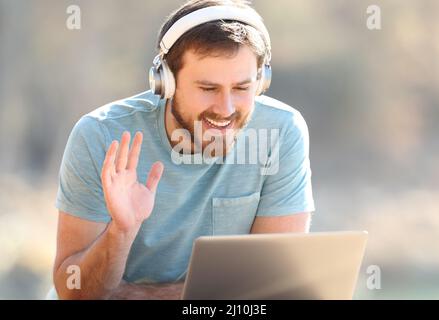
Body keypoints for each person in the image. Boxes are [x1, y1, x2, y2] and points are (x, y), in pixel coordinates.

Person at [52, 0, 315, 300]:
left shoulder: (282, 132)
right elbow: (72, 292)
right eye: (208, 88)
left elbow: (273, 286)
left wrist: (138, 296)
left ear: (261, 81)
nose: (225, 109)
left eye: (242, 88)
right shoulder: (99, 136)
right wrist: (121, 232)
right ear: (166, 82)